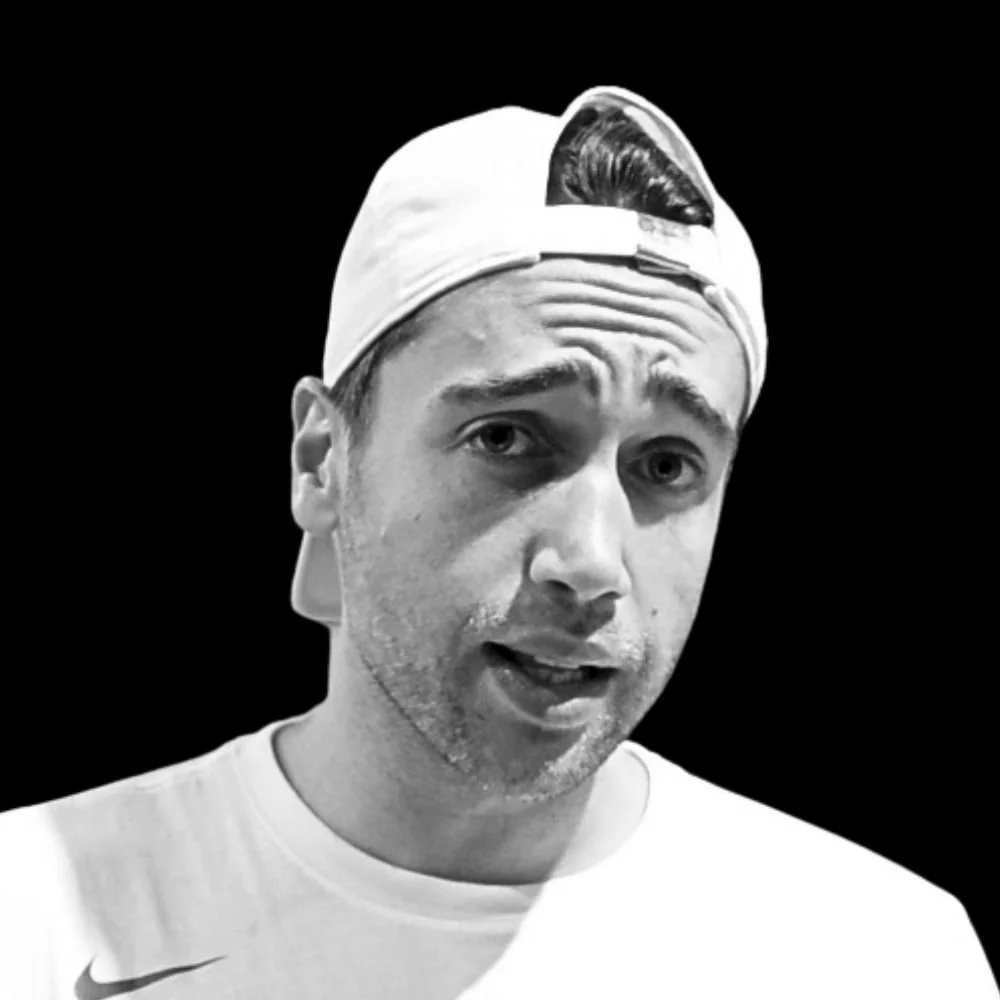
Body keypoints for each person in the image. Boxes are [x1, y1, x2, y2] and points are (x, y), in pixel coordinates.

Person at [0, 85, 995, 999]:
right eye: (508, 438)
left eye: (665, 465)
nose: (592, 564)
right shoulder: (33, 916)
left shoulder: (880, 957)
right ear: (322, 460)